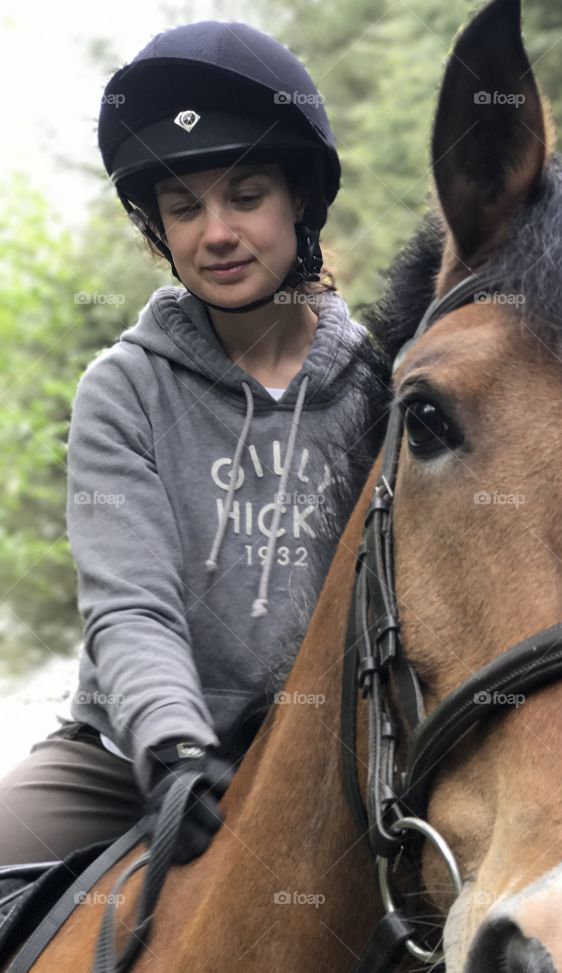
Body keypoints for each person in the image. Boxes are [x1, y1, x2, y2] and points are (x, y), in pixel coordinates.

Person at [0, 21, 384, 871]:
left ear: (301, 202)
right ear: (162, 230)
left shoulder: (386, 390)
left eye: (245, 195)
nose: (216, 232)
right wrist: (173, 747)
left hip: (332, 766)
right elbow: (129, 603)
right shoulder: (124, 389)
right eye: (184, 207)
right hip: (131, 761)